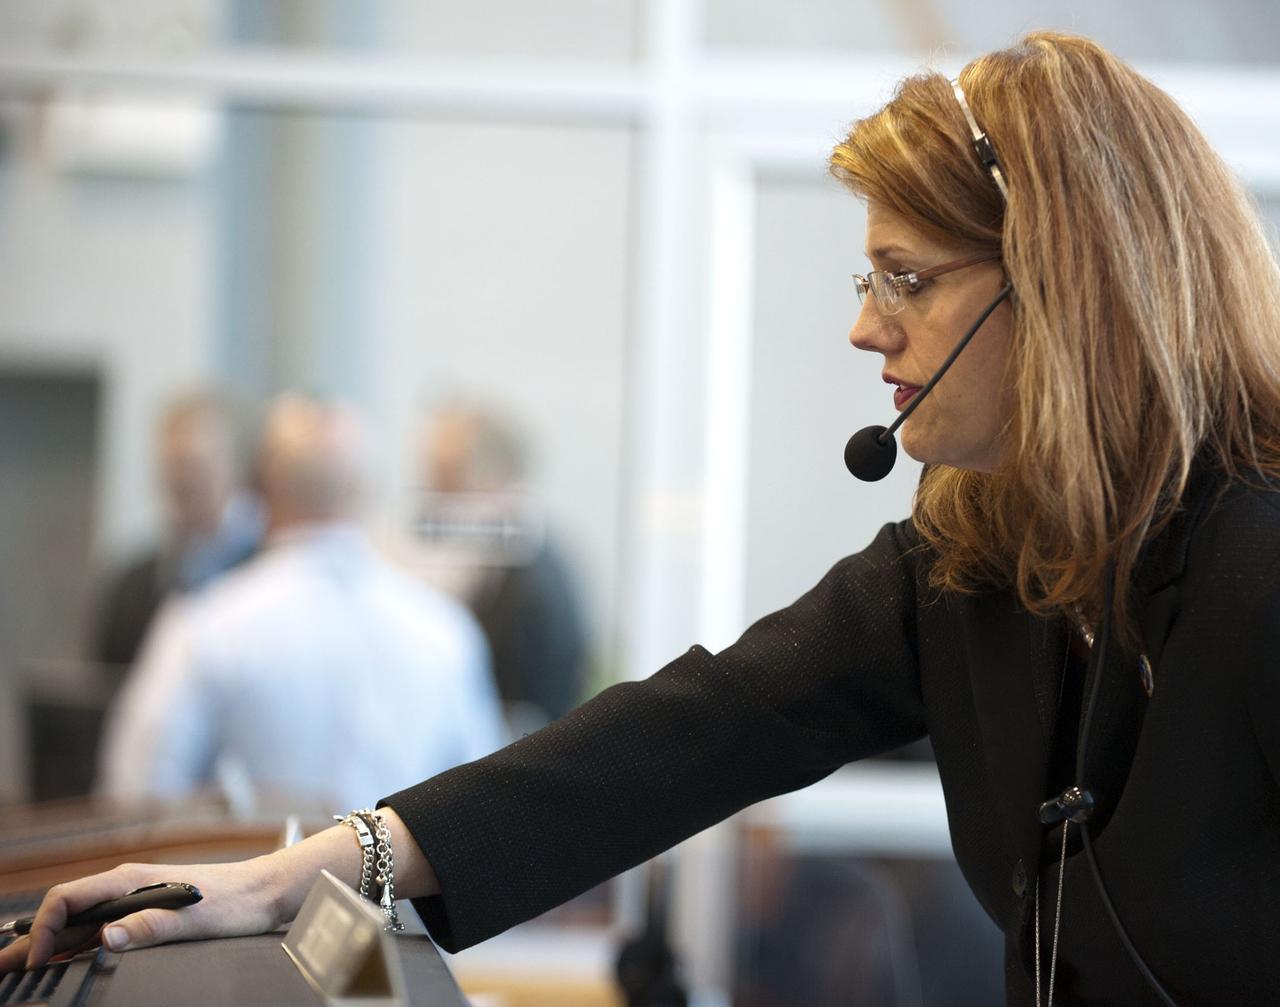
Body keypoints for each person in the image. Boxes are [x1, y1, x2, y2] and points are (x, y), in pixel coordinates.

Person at [6, 32, 1280, 1006]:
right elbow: (684, 731)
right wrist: (290, 873)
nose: (862, 324)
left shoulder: (1256, 555)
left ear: (1063, 289)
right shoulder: (970, 565)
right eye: (864, 273)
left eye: (910, 278)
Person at [96, 393, 506, 810]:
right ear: (366, 489)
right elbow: (481, 802)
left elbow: (137, 794)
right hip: (400, 876)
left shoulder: (206, 625)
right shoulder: (446, 632)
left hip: (250, 870)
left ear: (262, 489)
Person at [409, 399, 589, 728]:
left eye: (447, 476)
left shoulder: (531, 575)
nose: (433, 493)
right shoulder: (499, 556)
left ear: (495, 473)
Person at [92, 391, 262, 683]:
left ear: (234, 469)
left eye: (194, 465)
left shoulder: (264, 574)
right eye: (171, 466)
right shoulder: (133, 585)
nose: (181, 481)